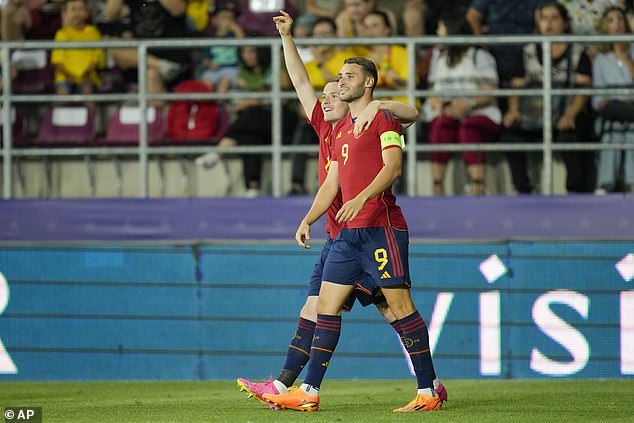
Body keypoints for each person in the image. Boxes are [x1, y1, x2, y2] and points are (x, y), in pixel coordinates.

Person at [236, 11, 447, 411]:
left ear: (364, 84)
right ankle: (302, 391)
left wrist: (360, 197)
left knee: (396, 310)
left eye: (341, 84)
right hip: (340, 235)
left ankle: (428, 387)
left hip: (376, 229)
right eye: (329, 90)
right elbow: (330, 179)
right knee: (324, 307)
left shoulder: (376, 117)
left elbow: (407, 128)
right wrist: (309, 217)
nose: (329, 95)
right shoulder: (335, 128)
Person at [501, 2, 595, 194]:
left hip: (563, 116)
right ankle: (523, 190)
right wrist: (513, 110)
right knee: (509, 135)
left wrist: (569, 115)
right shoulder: (527, 51)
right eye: (544, 18)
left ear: (564, 23)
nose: (549, 23)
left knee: (572, 138)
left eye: (554, 18)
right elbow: (516, 85)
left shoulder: (577, 52)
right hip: (532, 116)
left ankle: (575, 192)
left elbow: (583, 89)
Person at [423, 14, 501, 196]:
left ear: (452, 30)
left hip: (479, 111)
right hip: (448, 111)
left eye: (440, 28)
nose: (437, 32)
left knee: (469, 127)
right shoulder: (438, 56)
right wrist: (438, 104)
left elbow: (491, 91)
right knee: (440, 125)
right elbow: (432, 89)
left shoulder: (479, 56)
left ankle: (478, 186)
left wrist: (468, 104)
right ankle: (437, 186)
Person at [592, 6, 634, 193]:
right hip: (611, 109)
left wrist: (627, 59)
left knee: (630, 130)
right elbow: (599, 99)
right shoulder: (601, 60)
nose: (616, 24)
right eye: (611, 20)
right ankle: (605, 184)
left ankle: (631, 183)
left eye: (620, 19)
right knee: (613, 130)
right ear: (605, 27)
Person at [51, 0, 105, 103]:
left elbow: (97, 59)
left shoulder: (94, 33)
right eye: (73, 9)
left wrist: (85, 74)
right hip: (65, 77)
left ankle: (92, 118)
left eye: (80, 9)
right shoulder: (61, 34)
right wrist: (69, 76)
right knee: (62, 94)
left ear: (87, 13)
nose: (77, 13)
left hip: (88, 76)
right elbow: (57, 62)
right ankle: (56, 118)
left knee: (87, 92)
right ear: (65, 13)